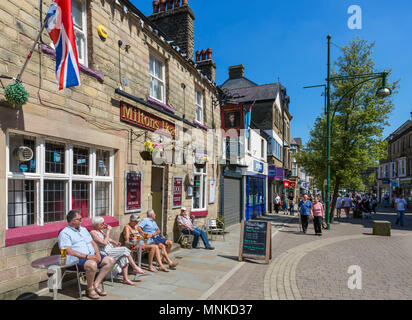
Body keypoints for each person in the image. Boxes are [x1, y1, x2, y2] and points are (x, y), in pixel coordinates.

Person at [58, 210, 115, 300]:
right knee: (92, 264)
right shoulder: (65, 233)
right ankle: (89, 289)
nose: (82, 220)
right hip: (75, 259)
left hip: (91, 256)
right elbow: (68, 251)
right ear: (73, 221)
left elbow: (93, 243)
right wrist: (87, 257)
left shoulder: (83, 230)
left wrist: (97, 254)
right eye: (79, 219)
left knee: (110, 260)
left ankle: (95, 284)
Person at [90, 217, 146, 286]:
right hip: (105, 253)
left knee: (124, 257)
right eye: (102, 224)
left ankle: (126, 279)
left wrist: (115, 242)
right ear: (96, 225)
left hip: (110, 249)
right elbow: (103, 243)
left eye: (103, 223)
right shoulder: (93, 233)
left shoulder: (100, 231)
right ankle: (135, 267)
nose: (103, 225)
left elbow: (108, 239)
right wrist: (108, 231)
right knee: (124, 249)